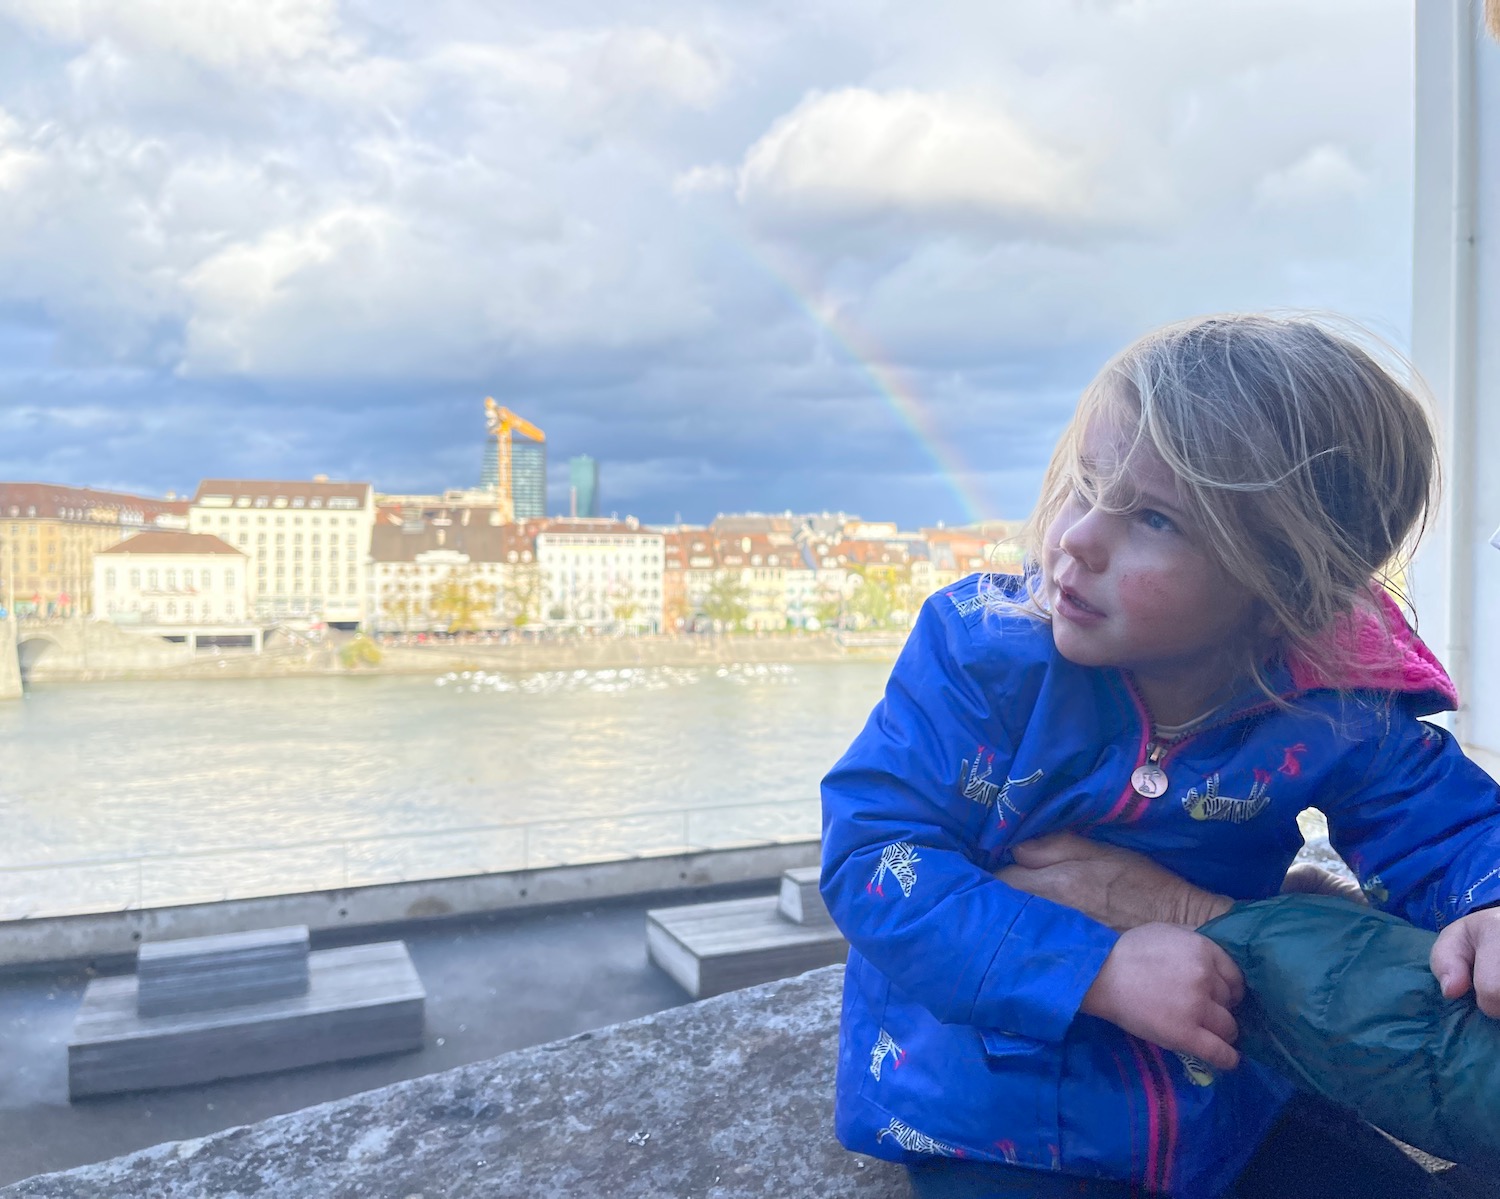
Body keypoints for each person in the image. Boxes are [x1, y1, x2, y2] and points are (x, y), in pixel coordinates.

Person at [819, 313, 1500, 1198]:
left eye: (1152, 517)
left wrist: (1489, 897)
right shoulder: (983, 657)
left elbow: (1439, 821)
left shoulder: (1332, 701)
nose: (1076, 538)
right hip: (998, 1111)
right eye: (1086, 482)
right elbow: (874, 855)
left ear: (1283, 585)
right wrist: (1090, 967)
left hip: (1223, 1099)